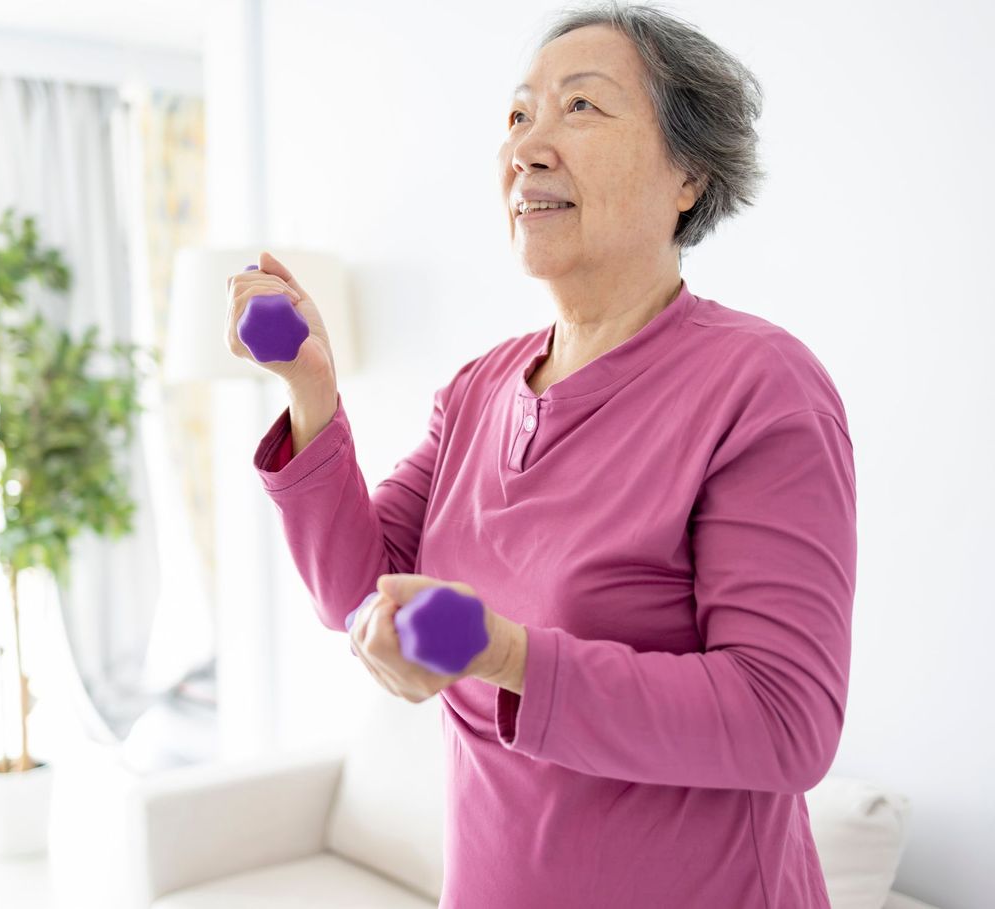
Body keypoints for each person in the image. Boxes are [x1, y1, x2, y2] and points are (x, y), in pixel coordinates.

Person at [224, 3, 855, 906]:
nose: (528, 145)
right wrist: (311, 391)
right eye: (519, 115)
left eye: (583, 108)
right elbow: (360, 593)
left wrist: (511, 656)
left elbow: (785, 720)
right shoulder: (479, 389)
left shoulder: (759, 386)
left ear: (689, 173)